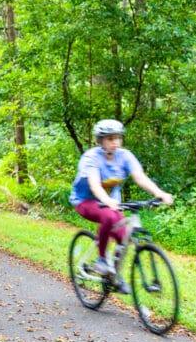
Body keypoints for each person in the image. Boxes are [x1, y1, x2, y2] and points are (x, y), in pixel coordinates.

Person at [70, 119, 173, 293]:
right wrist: (107, 200)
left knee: (123, 237)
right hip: (85, 201)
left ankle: (113, 277)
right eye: (110, 139)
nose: (115, 142)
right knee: (109, 217)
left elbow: (140, 177)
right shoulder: (91, 158)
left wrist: (159, 193)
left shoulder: (124, 156)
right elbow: (94, 184)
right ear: (101, 140)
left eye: (118, 138)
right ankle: (101, 260)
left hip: (112, 203)